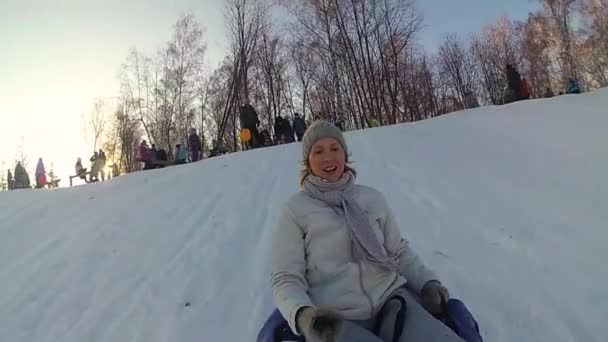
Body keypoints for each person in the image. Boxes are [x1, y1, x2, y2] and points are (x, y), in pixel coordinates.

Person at [271, 120, 459, 342]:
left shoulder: (371, 198)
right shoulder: (295, 210)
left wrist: (428, 283)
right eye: (318, 151)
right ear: (308, 161)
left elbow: (398, 252)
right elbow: (286, 278)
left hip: (391, 299)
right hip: (335, 318)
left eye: (335, 148)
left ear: (345, 154)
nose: (328, 157)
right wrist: (303, 315)